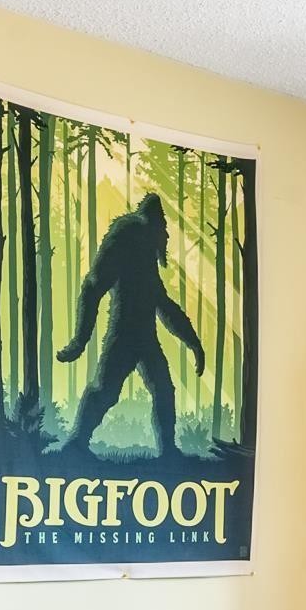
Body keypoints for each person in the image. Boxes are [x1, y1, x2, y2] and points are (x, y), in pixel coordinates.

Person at [52, 192, 204, 456]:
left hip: (144, 338)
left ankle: (168, 451)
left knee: (163, 389)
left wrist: (194, 343)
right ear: (155, 227)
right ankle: (76, 444)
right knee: (106, 391)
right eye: (164, 229)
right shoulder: (130, 237)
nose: (166, 237)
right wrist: (80, 340)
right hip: (124, 336)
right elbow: (93, 286)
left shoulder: (144, 252)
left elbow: (163, 305)